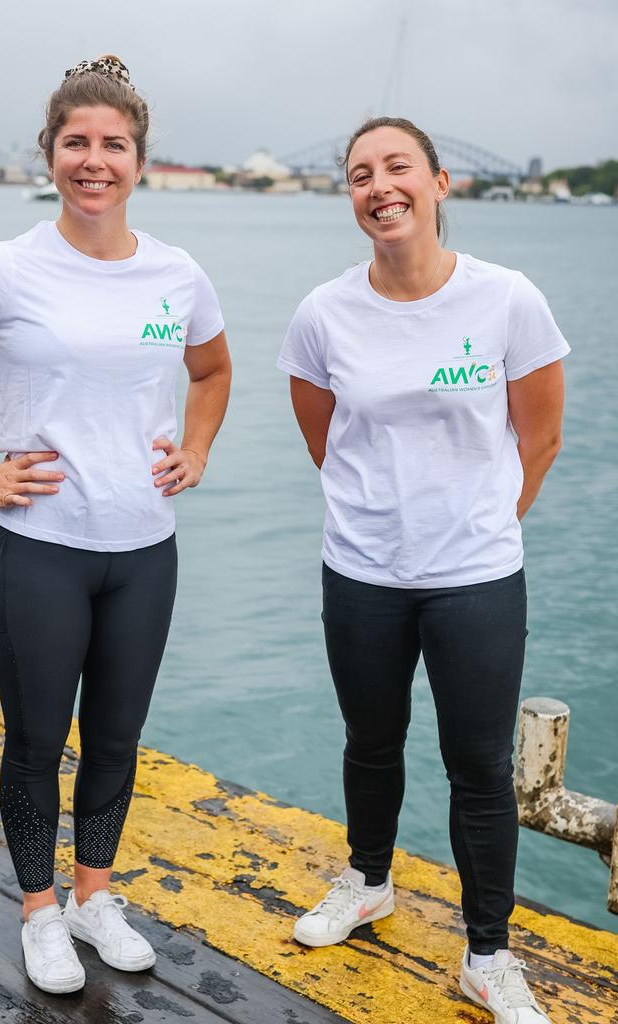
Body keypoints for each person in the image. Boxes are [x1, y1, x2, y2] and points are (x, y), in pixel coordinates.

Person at [0, 54, 231, 995]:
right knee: (36, 739)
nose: (95, 160)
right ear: (51, 154)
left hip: (145, 549)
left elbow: (213, 370)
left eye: (114, 145)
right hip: (39, 550)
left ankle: (92, 898)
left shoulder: (177, 274)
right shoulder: (10, 268)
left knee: (116, 737)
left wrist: (194, 448)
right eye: (78, 142)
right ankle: (37, 910)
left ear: (139, 161)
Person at [277, 116, 568, 1024]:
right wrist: (387, 525)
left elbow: (542, 436)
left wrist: (476, 528)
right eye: (361, 174)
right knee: (371, 742)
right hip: (361, 571)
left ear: (442, 183)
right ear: (353, 197)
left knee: (477, 765)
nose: (380, 186)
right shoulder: (324, 312)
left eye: (397, 167)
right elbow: (323, 438)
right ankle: (369, 882)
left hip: (476, 575)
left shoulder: (508, 298)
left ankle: (488, 954)